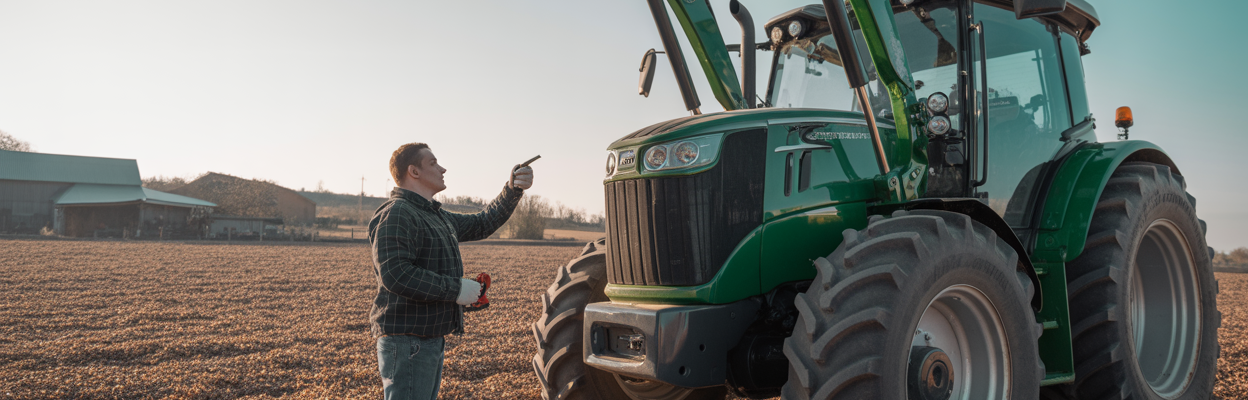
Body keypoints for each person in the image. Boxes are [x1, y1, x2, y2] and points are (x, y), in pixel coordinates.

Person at [368, 142, 533, 400]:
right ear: (414, 171)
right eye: (433, 163)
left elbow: (482, 223)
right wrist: (456, 289)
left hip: (427, 339)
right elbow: (396, 274)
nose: (442, 168)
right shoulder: (398, 213)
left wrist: (512, 190)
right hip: (408, 340)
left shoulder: (436, 216)